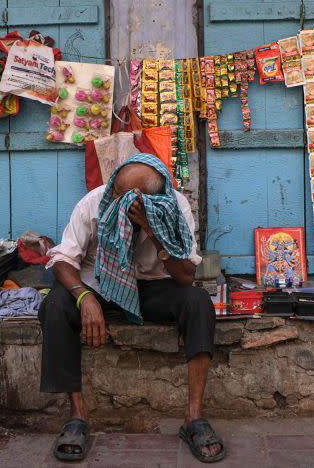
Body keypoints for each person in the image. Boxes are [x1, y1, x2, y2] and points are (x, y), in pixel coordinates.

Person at [39, 153, 225, 463]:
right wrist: (85, 299)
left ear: (147, 201)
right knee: (55, 304)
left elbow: (186, 276)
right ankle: (77, 417)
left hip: (151, 288)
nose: (114, 199)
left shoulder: (174, 208)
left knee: (199, 302)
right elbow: (61, 260)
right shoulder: (94, 202)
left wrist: (153, 229)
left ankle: (193, 418)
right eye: (115, 190)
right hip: (98, 286)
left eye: (124, 198)